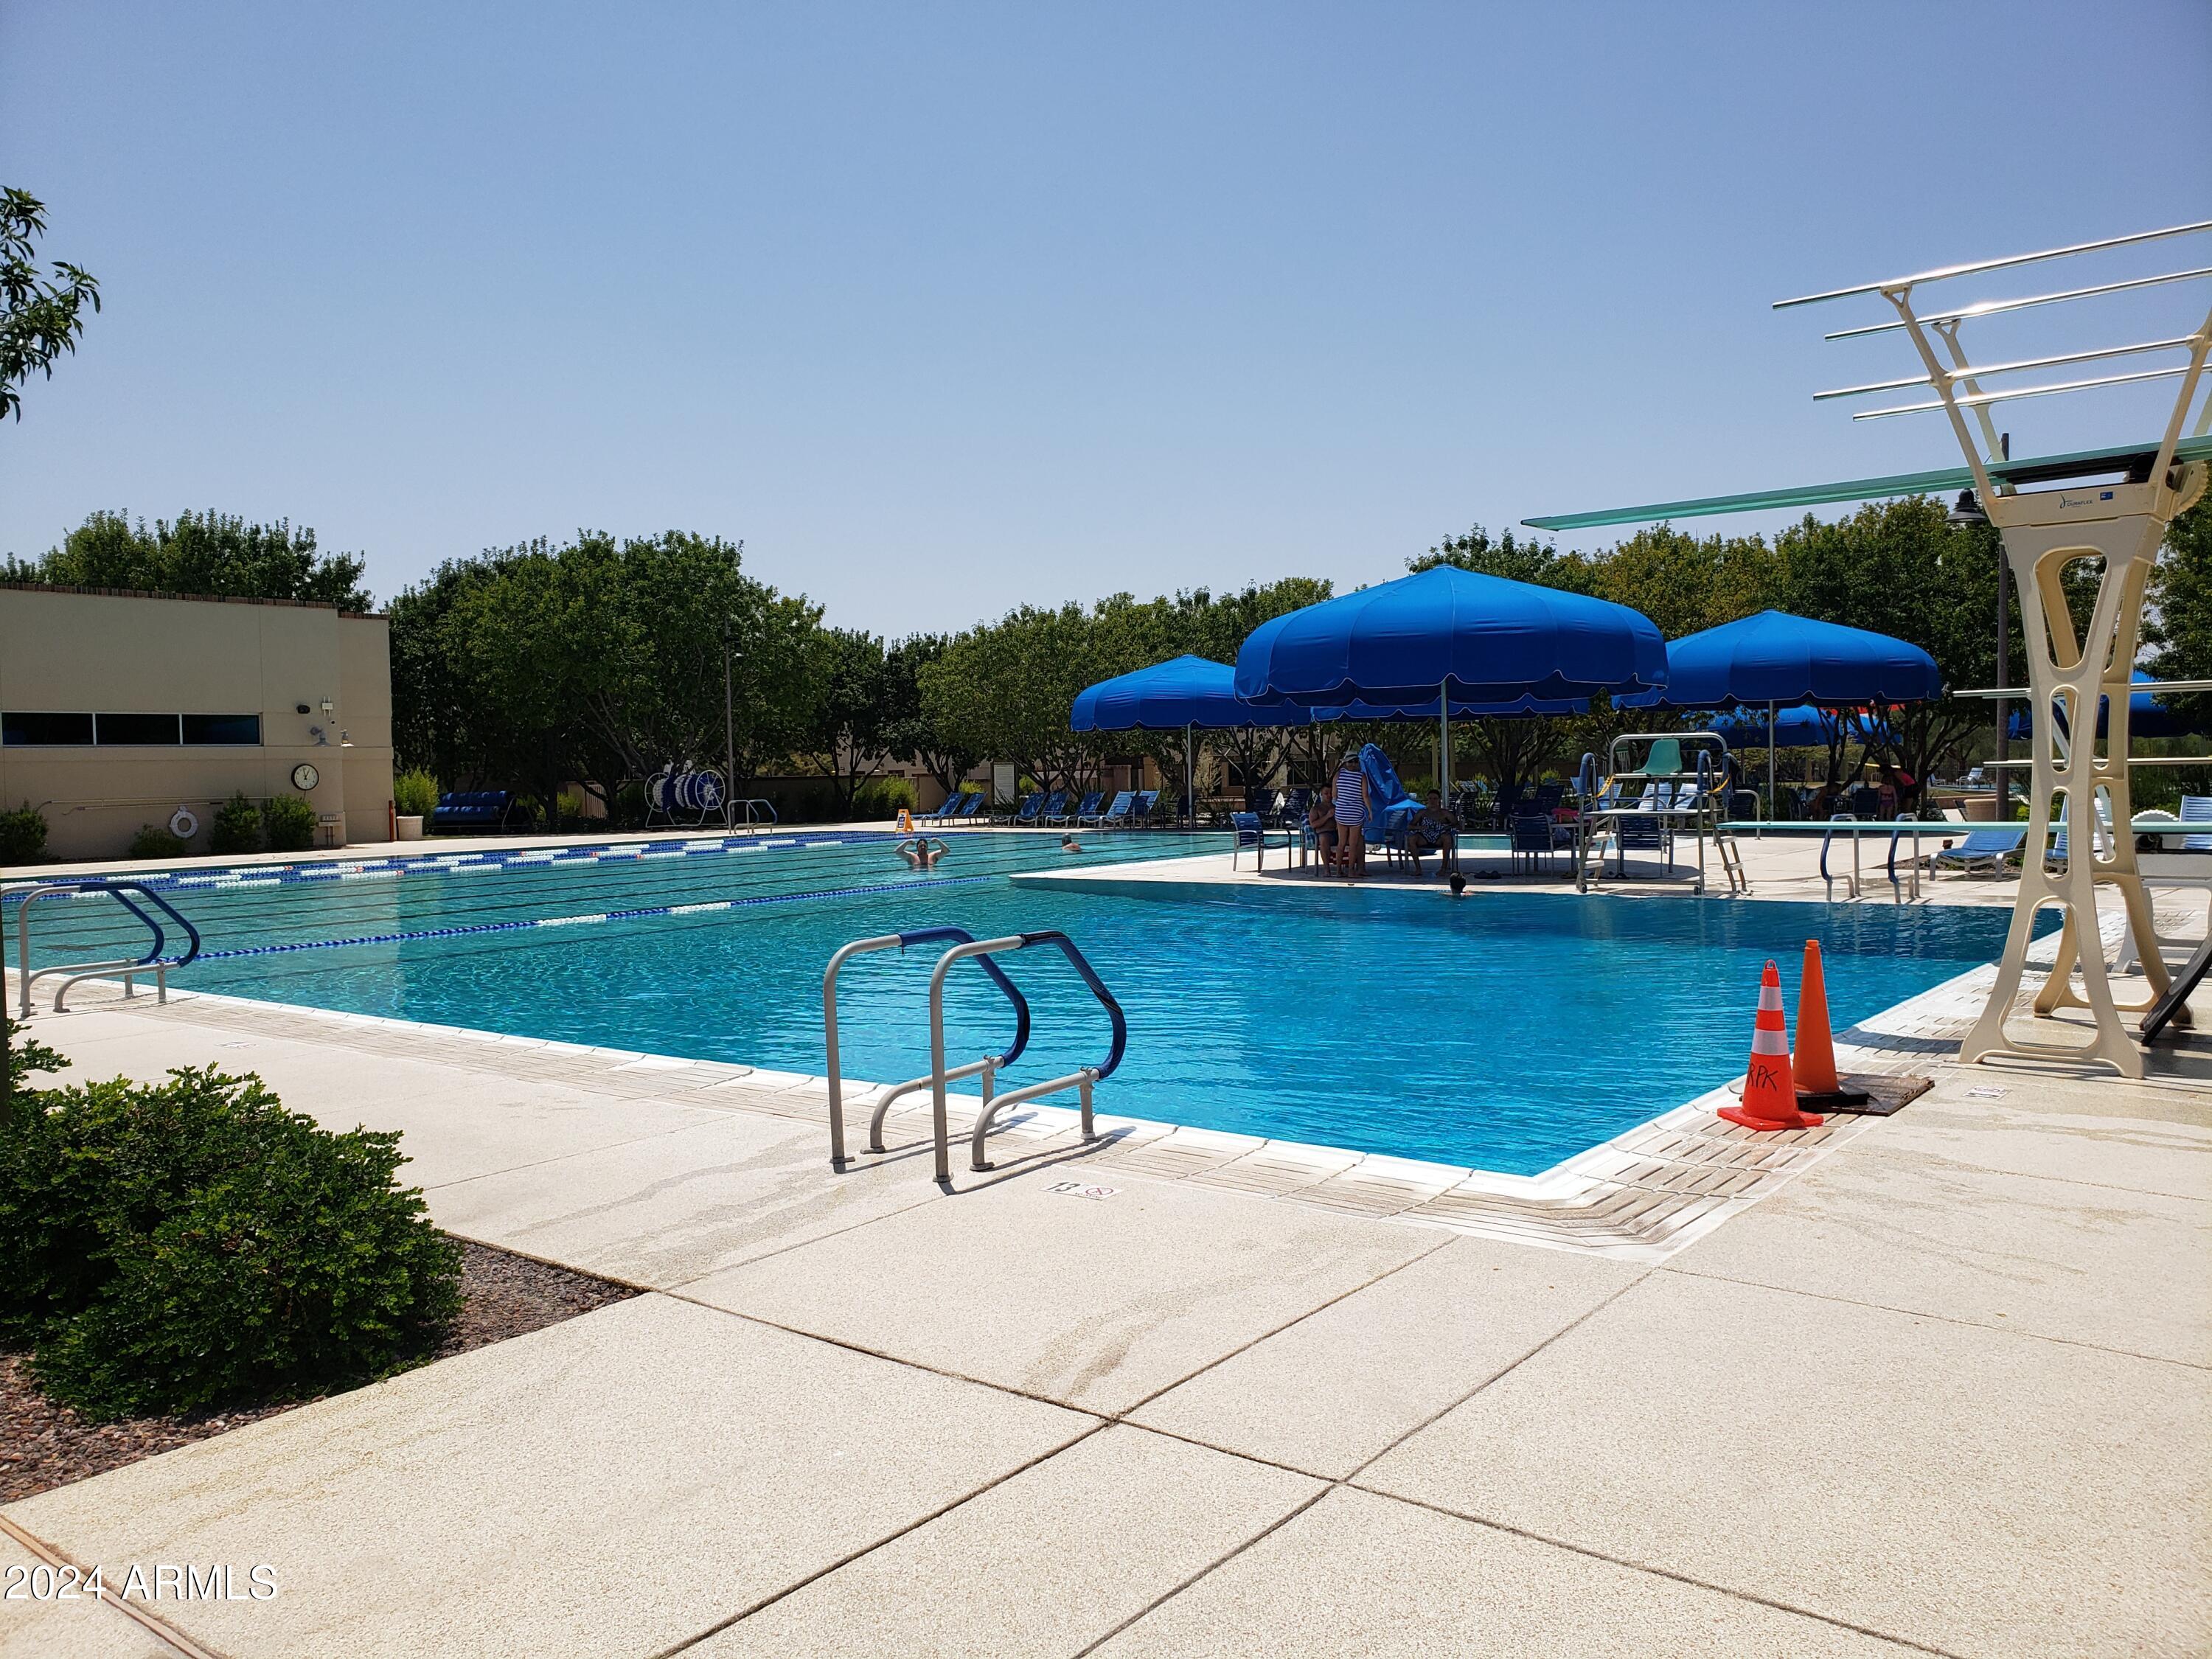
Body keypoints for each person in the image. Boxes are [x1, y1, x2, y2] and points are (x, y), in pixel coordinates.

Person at [1405, 790, 1460, 878]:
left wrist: (1447, 827)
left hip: (1439, 836)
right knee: (1411, 839)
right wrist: (1420, 828)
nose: (1432, 801)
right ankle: (1418, 869)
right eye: (1430, 798)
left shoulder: (1445, 813)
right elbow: (1410, 826)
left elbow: (1457, 825)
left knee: (1447, 838)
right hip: (1425, 836)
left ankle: (1443, 868)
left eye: (1435, 798)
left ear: (1439, 800)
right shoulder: (1422, 813)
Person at [1331, 752, 1368, 880]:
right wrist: (1370, 811)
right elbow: (1365, 796)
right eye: (1351, 761)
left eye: (1355, 761)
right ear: (1346, 762)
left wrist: (1341, 805)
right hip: (1356, 813)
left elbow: (1334, 796)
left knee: (1341, 843)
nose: (1353, 764)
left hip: (1341, 813)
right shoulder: (1362, 776)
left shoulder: (1338, 775)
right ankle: (1351, 871)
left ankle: (1338, 871)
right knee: (1353, 844)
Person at [1306, 790, 1340, 875]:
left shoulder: (1338, 808)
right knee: (1324, 839)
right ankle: (1327, 869)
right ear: (1321, 795)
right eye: (1326, 793)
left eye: (1330, 793)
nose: (1329, 795)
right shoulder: (1316, 809)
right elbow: (1313, 825)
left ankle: (1350, 868)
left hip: (1337, 833)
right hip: (1323, 834)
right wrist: (1327, 816)